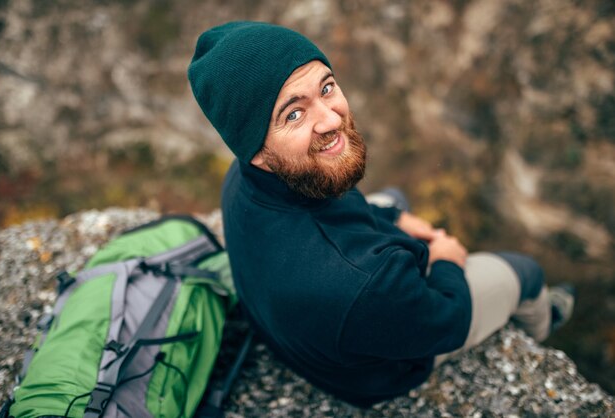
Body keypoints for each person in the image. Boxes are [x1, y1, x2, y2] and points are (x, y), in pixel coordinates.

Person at [187, 21, 574, 407]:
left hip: (297, 323)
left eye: (326, 87)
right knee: (524, 272)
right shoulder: (365, 284)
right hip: (370, 370)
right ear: (254, 147)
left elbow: (340, 209)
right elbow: (448, 318)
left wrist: (393, 218)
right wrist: (445, 262)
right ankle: (542, 321)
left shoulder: (243, 175)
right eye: (293, 115)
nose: (332, 119)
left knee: (393, 199)